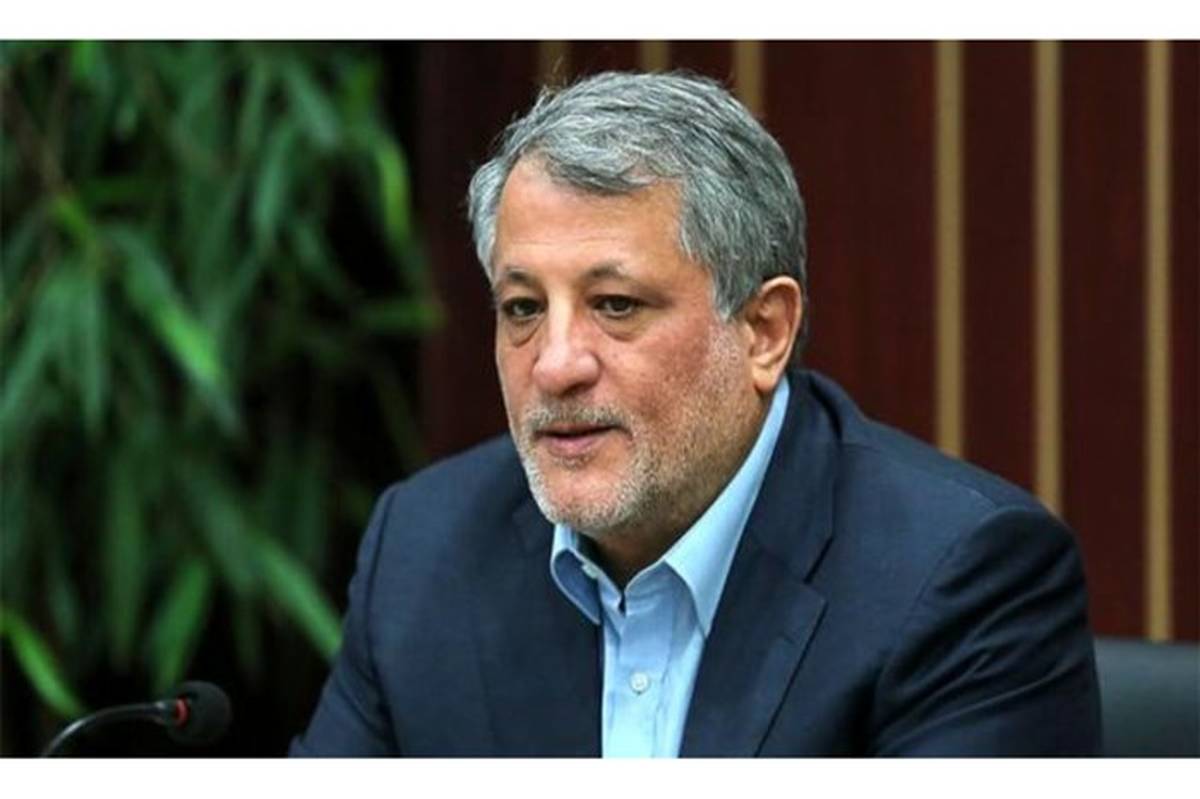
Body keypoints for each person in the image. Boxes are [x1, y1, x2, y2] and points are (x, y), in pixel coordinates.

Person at [291, 71, 1101, 756]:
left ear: (763, 331)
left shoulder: (960, 577)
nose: (556, 364)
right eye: (523, 308)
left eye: (615, 304)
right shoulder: (424, 549)